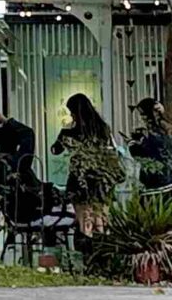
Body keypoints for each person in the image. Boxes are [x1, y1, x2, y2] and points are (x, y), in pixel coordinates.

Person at [51, 91, 125, 236]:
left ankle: (87, 250)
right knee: (101, 219)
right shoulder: (103, 129)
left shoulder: (69, 133)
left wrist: (64, 134)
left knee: (84, 221)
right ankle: (102, 250)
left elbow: (55, 150)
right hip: (102, 180)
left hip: (80, 179)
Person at [130, 95, 172, 193]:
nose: (141, 118)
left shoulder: (152, 133)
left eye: (142, 114)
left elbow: (145, 154)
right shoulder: (167, 130)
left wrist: (132, 144)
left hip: (157, 183)